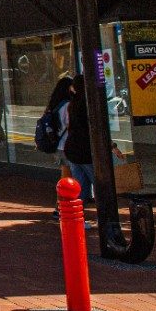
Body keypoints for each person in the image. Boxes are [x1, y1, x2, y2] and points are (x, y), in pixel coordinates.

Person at [56, 75, 95, 229]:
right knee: (98, 185)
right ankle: (107, 219)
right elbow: (92, 129)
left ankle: (75, 219)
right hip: (84, 150)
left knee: (79, 187)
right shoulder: (86, 104)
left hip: (73, 149)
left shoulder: (72, 104)